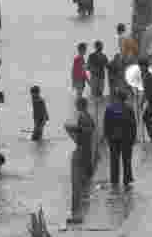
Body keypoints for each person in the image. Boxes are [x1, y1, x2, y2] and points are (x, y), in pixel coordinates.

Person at [67, 96, 96, 224]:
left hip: (83, 149)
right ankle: (81, 209)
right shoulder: (87, 116)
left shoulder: (83, 117)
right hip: (86, 148)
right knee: (84, 177)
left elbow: (85, 131)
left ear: (80, 105)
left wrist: (72, 129)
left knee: (79, 180)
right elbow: (92, 128)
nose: (75, 107)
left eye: (76, 104)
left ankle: (77, 212)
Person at [104, 88, 138, 186]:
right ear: (125, 98)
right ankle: (127, 179)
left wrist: (107, 137)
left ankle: (114, 180)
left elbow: (106, 124)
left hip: (113, 139)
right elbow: (133, 124)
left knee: (114, 160)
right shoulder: (129, 109)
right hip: (126, 138)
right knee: (127, 160)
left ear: (116, 97)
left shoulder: (109, 108)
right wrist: (133, 137)